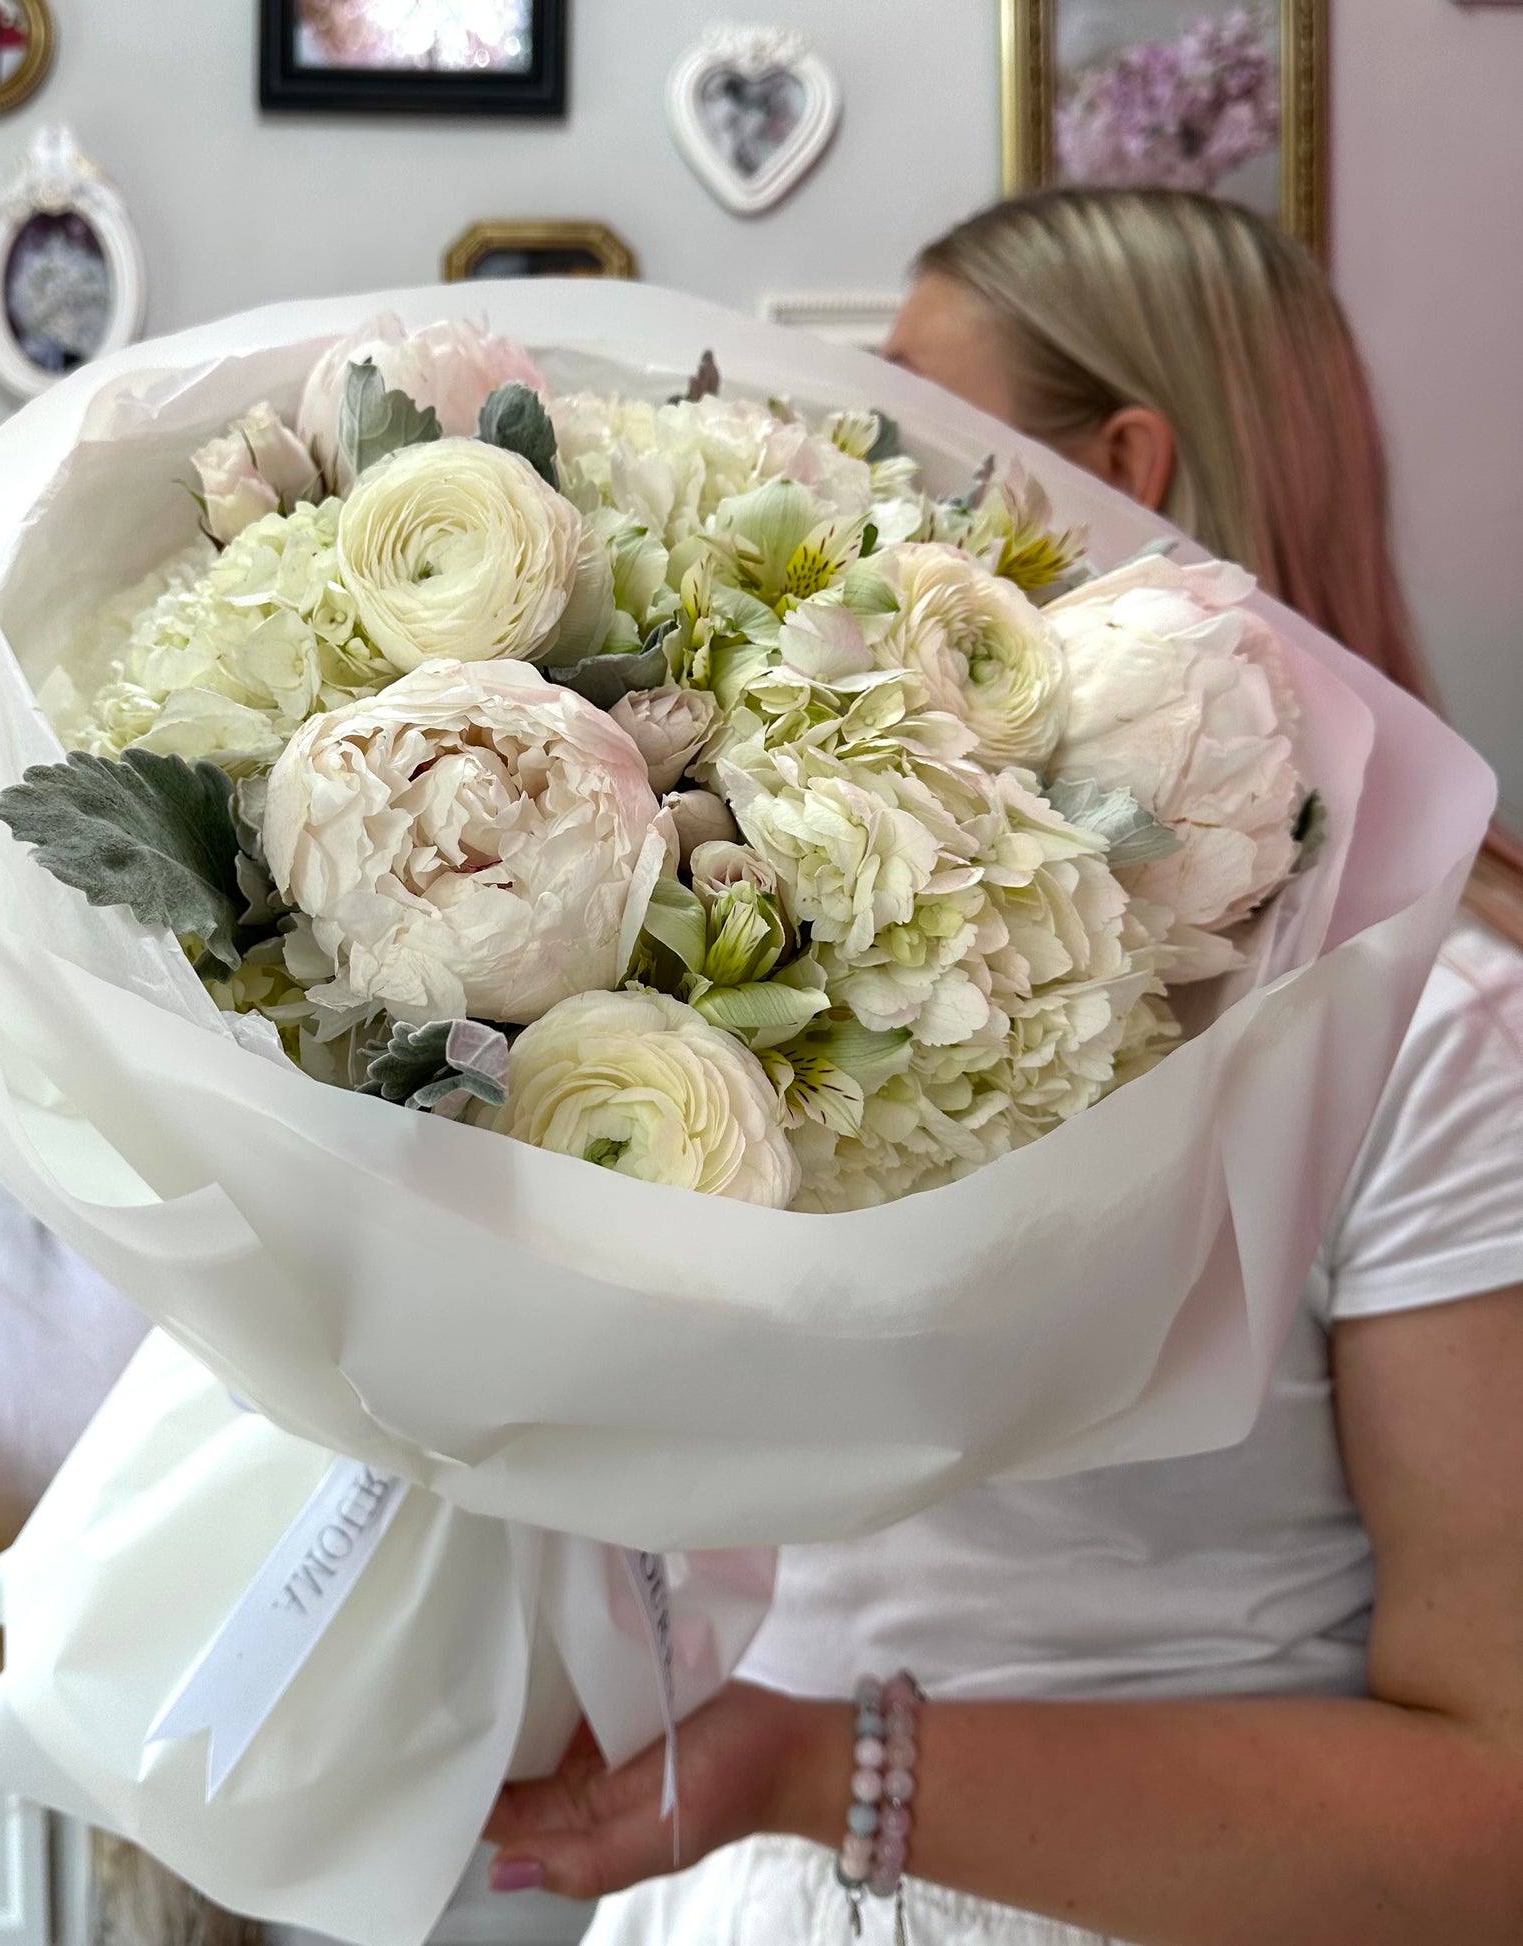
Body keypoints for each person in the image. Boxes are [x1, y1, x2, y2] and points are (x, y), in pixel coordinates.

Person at [484, 189, 1523, 1946]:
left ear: (1116, 463)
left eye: (910, 422)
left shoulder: (1438, 1024)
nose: (856, 482)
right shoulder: (785, 944)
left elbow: (1493, 1820)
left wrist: (823, 1770)